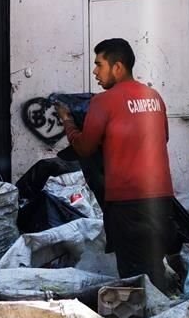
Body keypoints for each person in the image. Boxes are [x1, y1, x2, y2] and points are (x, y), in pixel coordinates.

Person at [56, 38, 175, 289]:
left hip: (127, 202)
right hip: (162, 198)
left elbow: (84, 147)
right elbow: (162, 138)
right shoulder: (154, 96)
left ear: (117, 67)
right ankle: (163, 313)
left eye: (99, 65)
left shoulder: (104, 101)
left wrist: (68, 121)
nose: (95, 72)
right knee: (154, 265)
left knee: (134, 275)